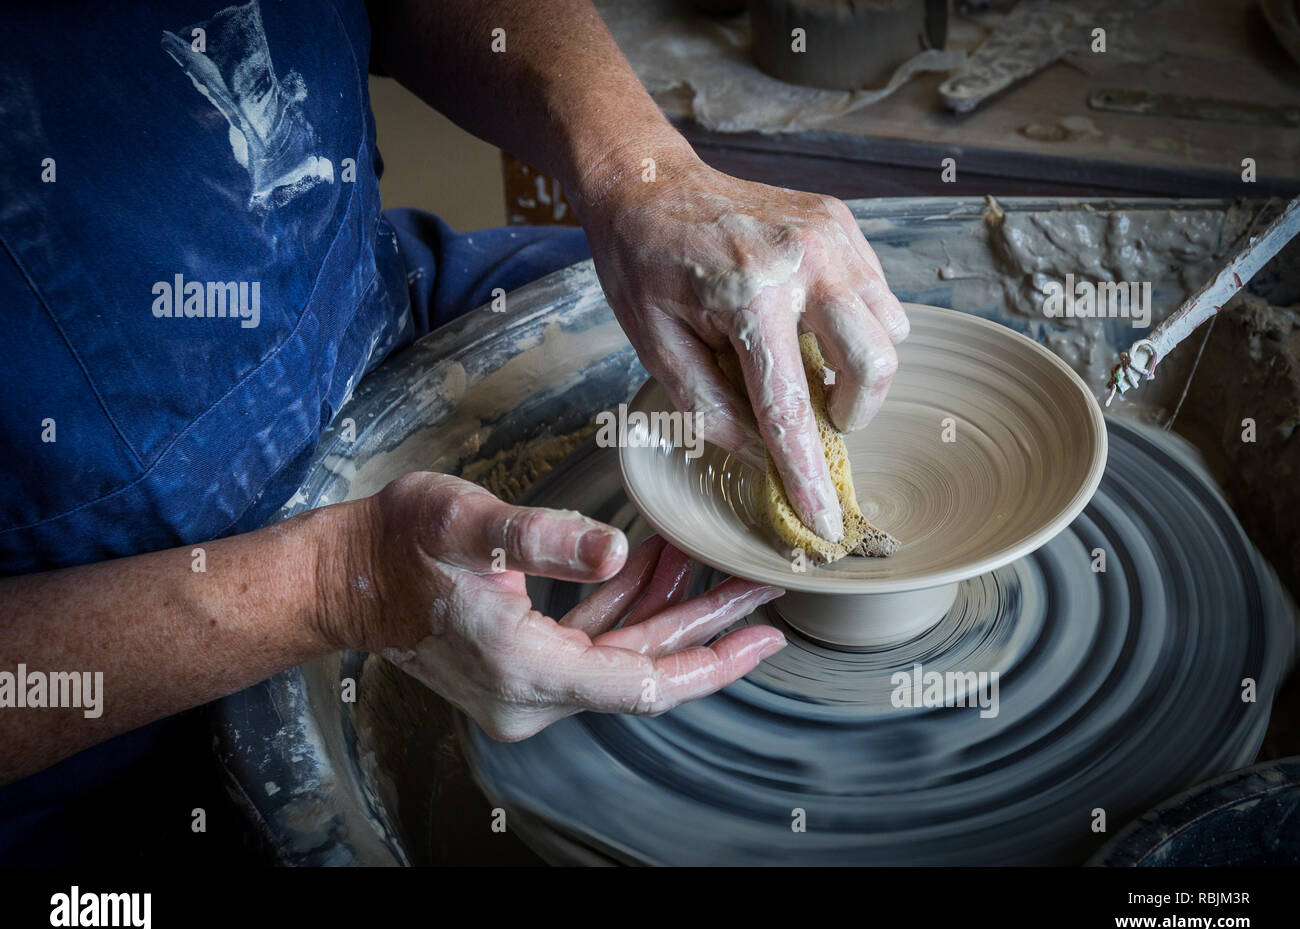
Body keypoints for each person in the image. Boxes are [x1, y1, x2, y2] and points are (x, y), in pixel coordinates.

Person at [0, 0, 905, 858]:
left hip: (375, 308)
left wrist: (641, 170)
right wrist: (336, 585)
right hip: (102, 666)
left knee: (743, 334)